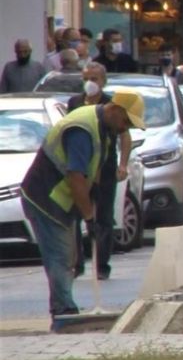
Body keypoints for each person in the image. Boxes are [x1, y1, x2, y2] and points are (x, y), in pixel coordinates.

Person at [20, 88, 144, 331]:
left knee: (74, 259)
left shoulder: (104, 128)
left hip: (63, 199)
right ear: (116, 109)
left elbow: (92, 172)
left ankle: (64, 306)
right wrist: (90, 218)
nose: (125, 128)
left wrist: (93, 208)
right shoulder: (82, 130)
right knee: (61, 255)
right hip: (45, 197)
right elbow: (77, 178)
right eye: (126, 121)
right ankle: (63, 313)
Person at [68, 62, 131, 281]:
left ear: (103, 81)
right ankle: (77, 263)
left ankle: (101, 264)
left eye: (94, 79)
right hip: (81, 168)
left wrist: (123, 164)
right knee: (76, 216)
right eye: (86, 78)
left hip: (105, 168)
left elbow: (124, 136)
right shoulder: (74, 102)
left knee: (103, 216)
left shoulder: (112, 105)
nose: (89, 83)